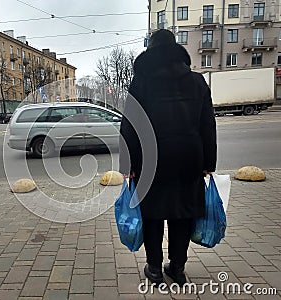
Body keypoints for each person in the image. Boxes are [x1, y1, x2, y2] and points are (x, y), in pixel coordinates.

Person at [119, 29, 217, 286]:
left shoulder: (142, 82)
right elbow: (208, 124)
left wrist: (128, 164)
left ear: (151, 52)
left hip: (151, 160)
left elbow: (130, 123)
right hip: (188, 158)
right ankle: (178, 267)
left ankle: (153, 268)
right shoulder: (197, 82)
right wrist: (208, 162)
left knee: (152, 214)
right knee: (182, 213)